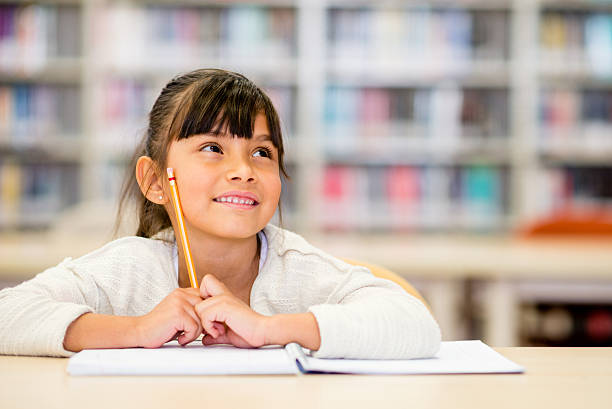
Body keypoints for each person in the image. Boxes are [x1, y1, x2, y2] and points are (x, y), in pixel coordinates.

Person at [0, 69, 440, 358]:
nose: (243, 171)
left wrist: (268, 328)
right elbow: (8, 314)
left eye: (262, 152)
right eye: (213, 148)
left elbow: (416, 325)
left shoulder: (301, 272)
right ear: (156, 182)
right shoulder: (125, 270)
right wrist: (135, 329)